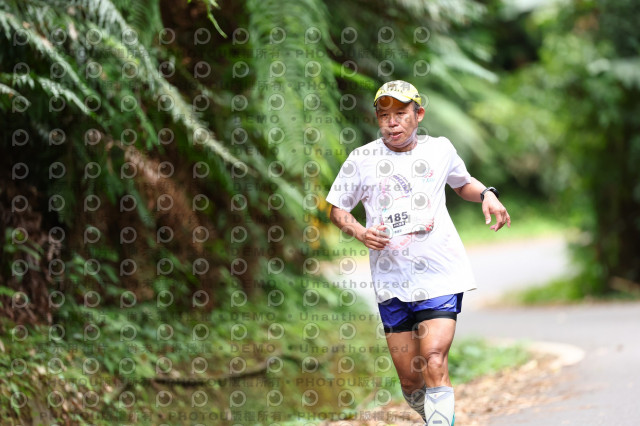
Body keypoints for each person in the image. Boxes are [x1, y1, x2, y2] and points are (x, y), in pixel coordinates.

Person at [326, 80, 510, 425]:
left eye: (400, 113)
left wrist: (487, 194)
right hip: (392, 281)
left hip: (439, 273)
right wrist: (360, 232)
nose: (392, 122)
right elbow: (337, 209)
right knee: (411, 382)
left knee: (434, 359)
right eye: (384, 115)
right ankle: (435, 417)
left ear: (418, 114)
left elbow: (462, 183)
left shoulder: (439, 149)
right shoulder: (362, 159)